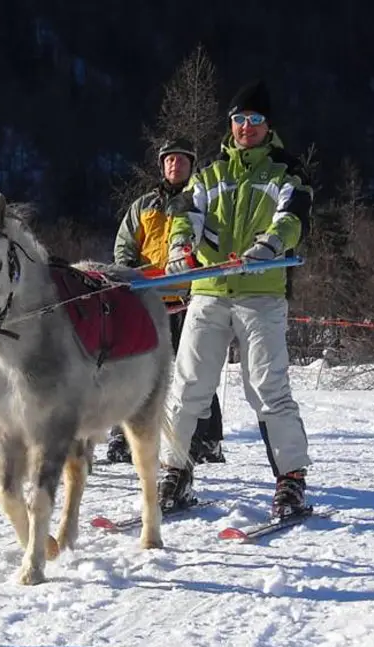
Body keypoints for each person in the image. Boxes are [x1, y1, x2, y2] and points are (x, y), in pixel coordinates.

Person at [159, 80, 313, 518]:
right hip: (209, 290)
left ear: (268, 125)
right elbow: (185, 216)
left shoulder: (287, 169)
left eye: (256, 120)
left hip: (260, 293)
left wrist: (269, 247)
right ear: (231, 124)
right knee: (189, 386)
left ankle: (291, 479)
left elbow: (293, 217)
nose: (247, 127)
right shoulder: (210, 172)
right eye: (240, 119)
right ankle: (177, 471)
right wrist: (179, 250)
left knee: (268, 388)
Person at [105, 137, 226, 466]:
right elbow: (124, 245)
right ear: (162, 166)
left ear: (191, 166)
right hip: (147, 301)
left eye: (182, 161)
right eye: (170, 160)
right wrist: (129, 274)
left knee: (195, 369)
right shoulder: (144, 206)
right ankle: (123, 436)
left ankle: (207, 438)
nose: (175, 165)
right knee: (131, 367)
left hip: (188, 300)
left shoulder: (200, 203)